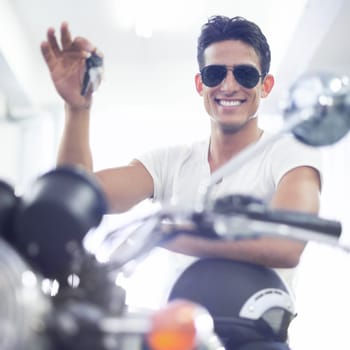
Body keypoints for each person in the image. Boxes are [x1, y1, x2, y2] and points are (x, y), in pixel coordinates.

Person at [40, 16, 321, 303]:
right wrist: (77, 108)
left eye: (245, 75)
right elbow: (76, 198)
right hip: (178, 335)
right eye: (215, 74)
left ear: (266, 85)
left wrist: (169, 233)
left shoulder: (289, 153)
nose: (229, 85)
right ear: (200, 84)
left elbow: (287, 244)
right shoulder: (171, 163)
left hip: (256, 338)